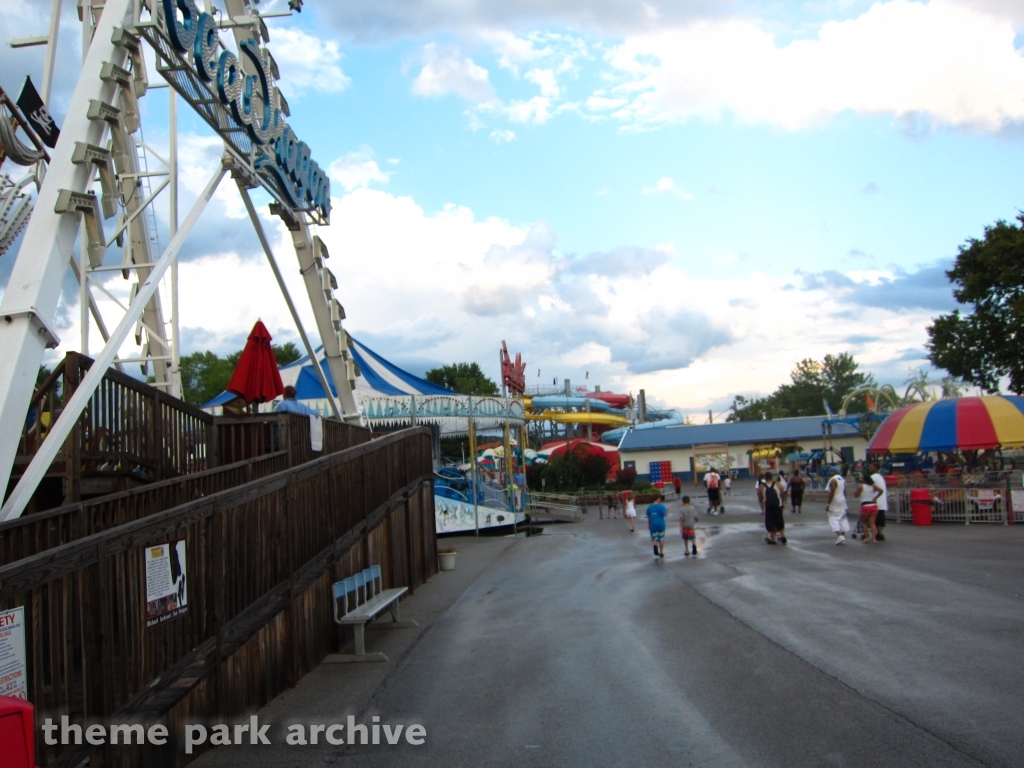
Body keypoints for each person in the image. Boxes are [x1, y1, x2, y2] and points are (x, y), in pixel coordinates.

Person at [826, 466, 850, 545]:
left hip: (835, 500)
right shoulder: (842, 479)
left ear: (834, 471)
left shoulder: (833, 480)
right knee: (843, 518)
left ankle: (840, 535)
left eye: (831, 471)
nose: (830, 473)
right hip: (842, 499)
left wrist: (828, 503)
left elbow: (832, 491)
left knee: (833, 518)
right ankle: (842, 536)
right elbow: (844, 491)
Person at [855, 470, 878, 543]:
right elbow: (881, 490)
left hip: (865, 505)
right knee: (872, 523)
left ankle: (867, 537)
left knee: (864, 522)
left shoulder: (861, 486)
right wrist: (875, 497)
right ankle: (874, 538)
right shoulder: (873, 486)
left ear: (864, 480)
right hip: (873, 505)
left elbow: (856, 495)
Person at [763, 473, 786, 544]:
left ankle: (773, 539)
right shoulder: (778, 485)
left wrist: (762, 506)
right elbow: (783, 494)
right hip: (778, 506)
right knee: (779, 521)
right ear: (771, 477)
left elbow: (760, 497)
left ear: (765, 478)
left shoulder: (762, 486)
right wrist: (783, 503)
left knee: (770, 522)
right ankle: (783, 536)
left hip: (768, 507)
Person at [869, 462, 889, 542]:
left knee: (877, 519)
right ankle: (880, 532)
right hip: (882, 501)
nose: (870, 468)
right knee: (881, 518)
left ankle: (879, 533)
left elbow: (870, 487)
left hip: (877, 501)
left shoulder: (873, 477)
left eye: (872, 467)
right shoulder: (880, 477)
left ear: (876, 469)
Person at [646, 493, 669, 558]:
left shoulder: (650, 507)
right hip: (661, 524)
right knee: (661, 538)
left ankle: (655, 546)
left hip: (653, 524)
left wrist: (649, 524)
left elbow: (649, 517)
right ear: (657, 499)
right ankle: (661, 552)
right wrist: (669, 511)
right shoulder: (661, 506)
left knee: (654, 538)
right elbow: (665, 514)